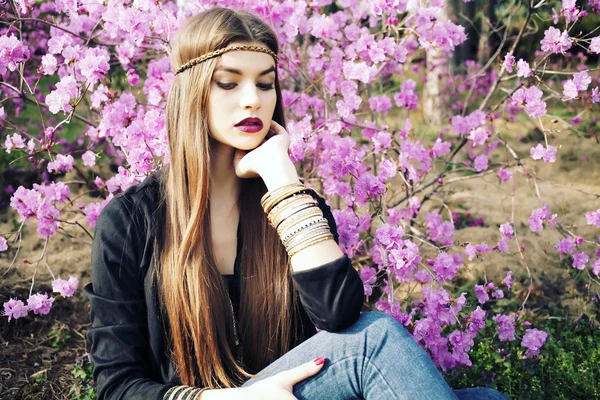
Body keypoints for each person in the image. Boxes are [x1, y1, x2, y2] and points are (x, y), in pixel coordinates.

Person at [84, 7, 510, 400]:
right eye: (229, 83)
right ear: (192, 93)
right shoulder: (131, 221)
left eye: (266, 83)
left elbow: (338, 317)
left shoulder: (295, 208)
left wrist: (282, 180)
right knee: (375, 339)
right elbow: (117, 385)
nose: (253, 99)